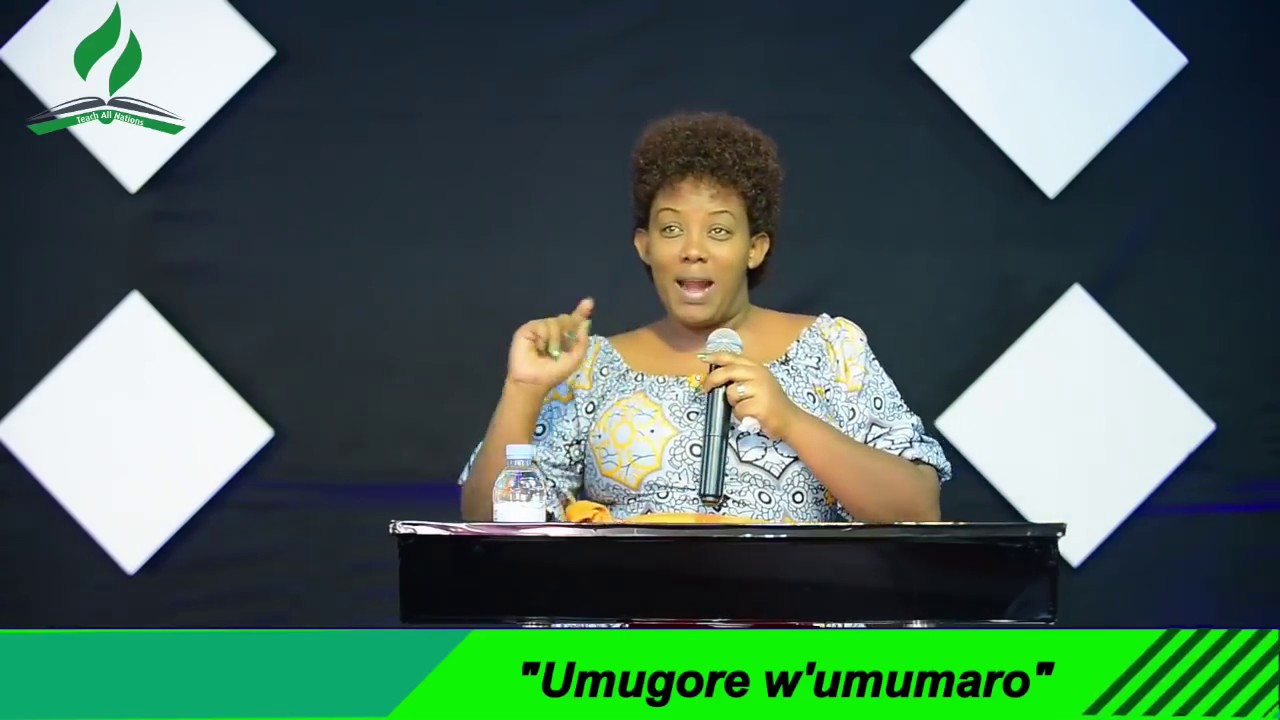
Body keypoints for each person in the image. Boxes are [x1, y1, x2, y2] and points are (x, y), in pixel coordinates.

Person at [459, 111, 950, 524]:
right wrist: (524, 389)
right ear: (645, 246)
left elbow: (918, 508)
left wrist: (791, 421)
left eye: (718, 231)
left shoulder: (831, 349)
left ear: (755, 248)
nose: (692, 250)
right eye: (672, 229)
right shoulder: (592, 369)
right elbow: (486, 524)